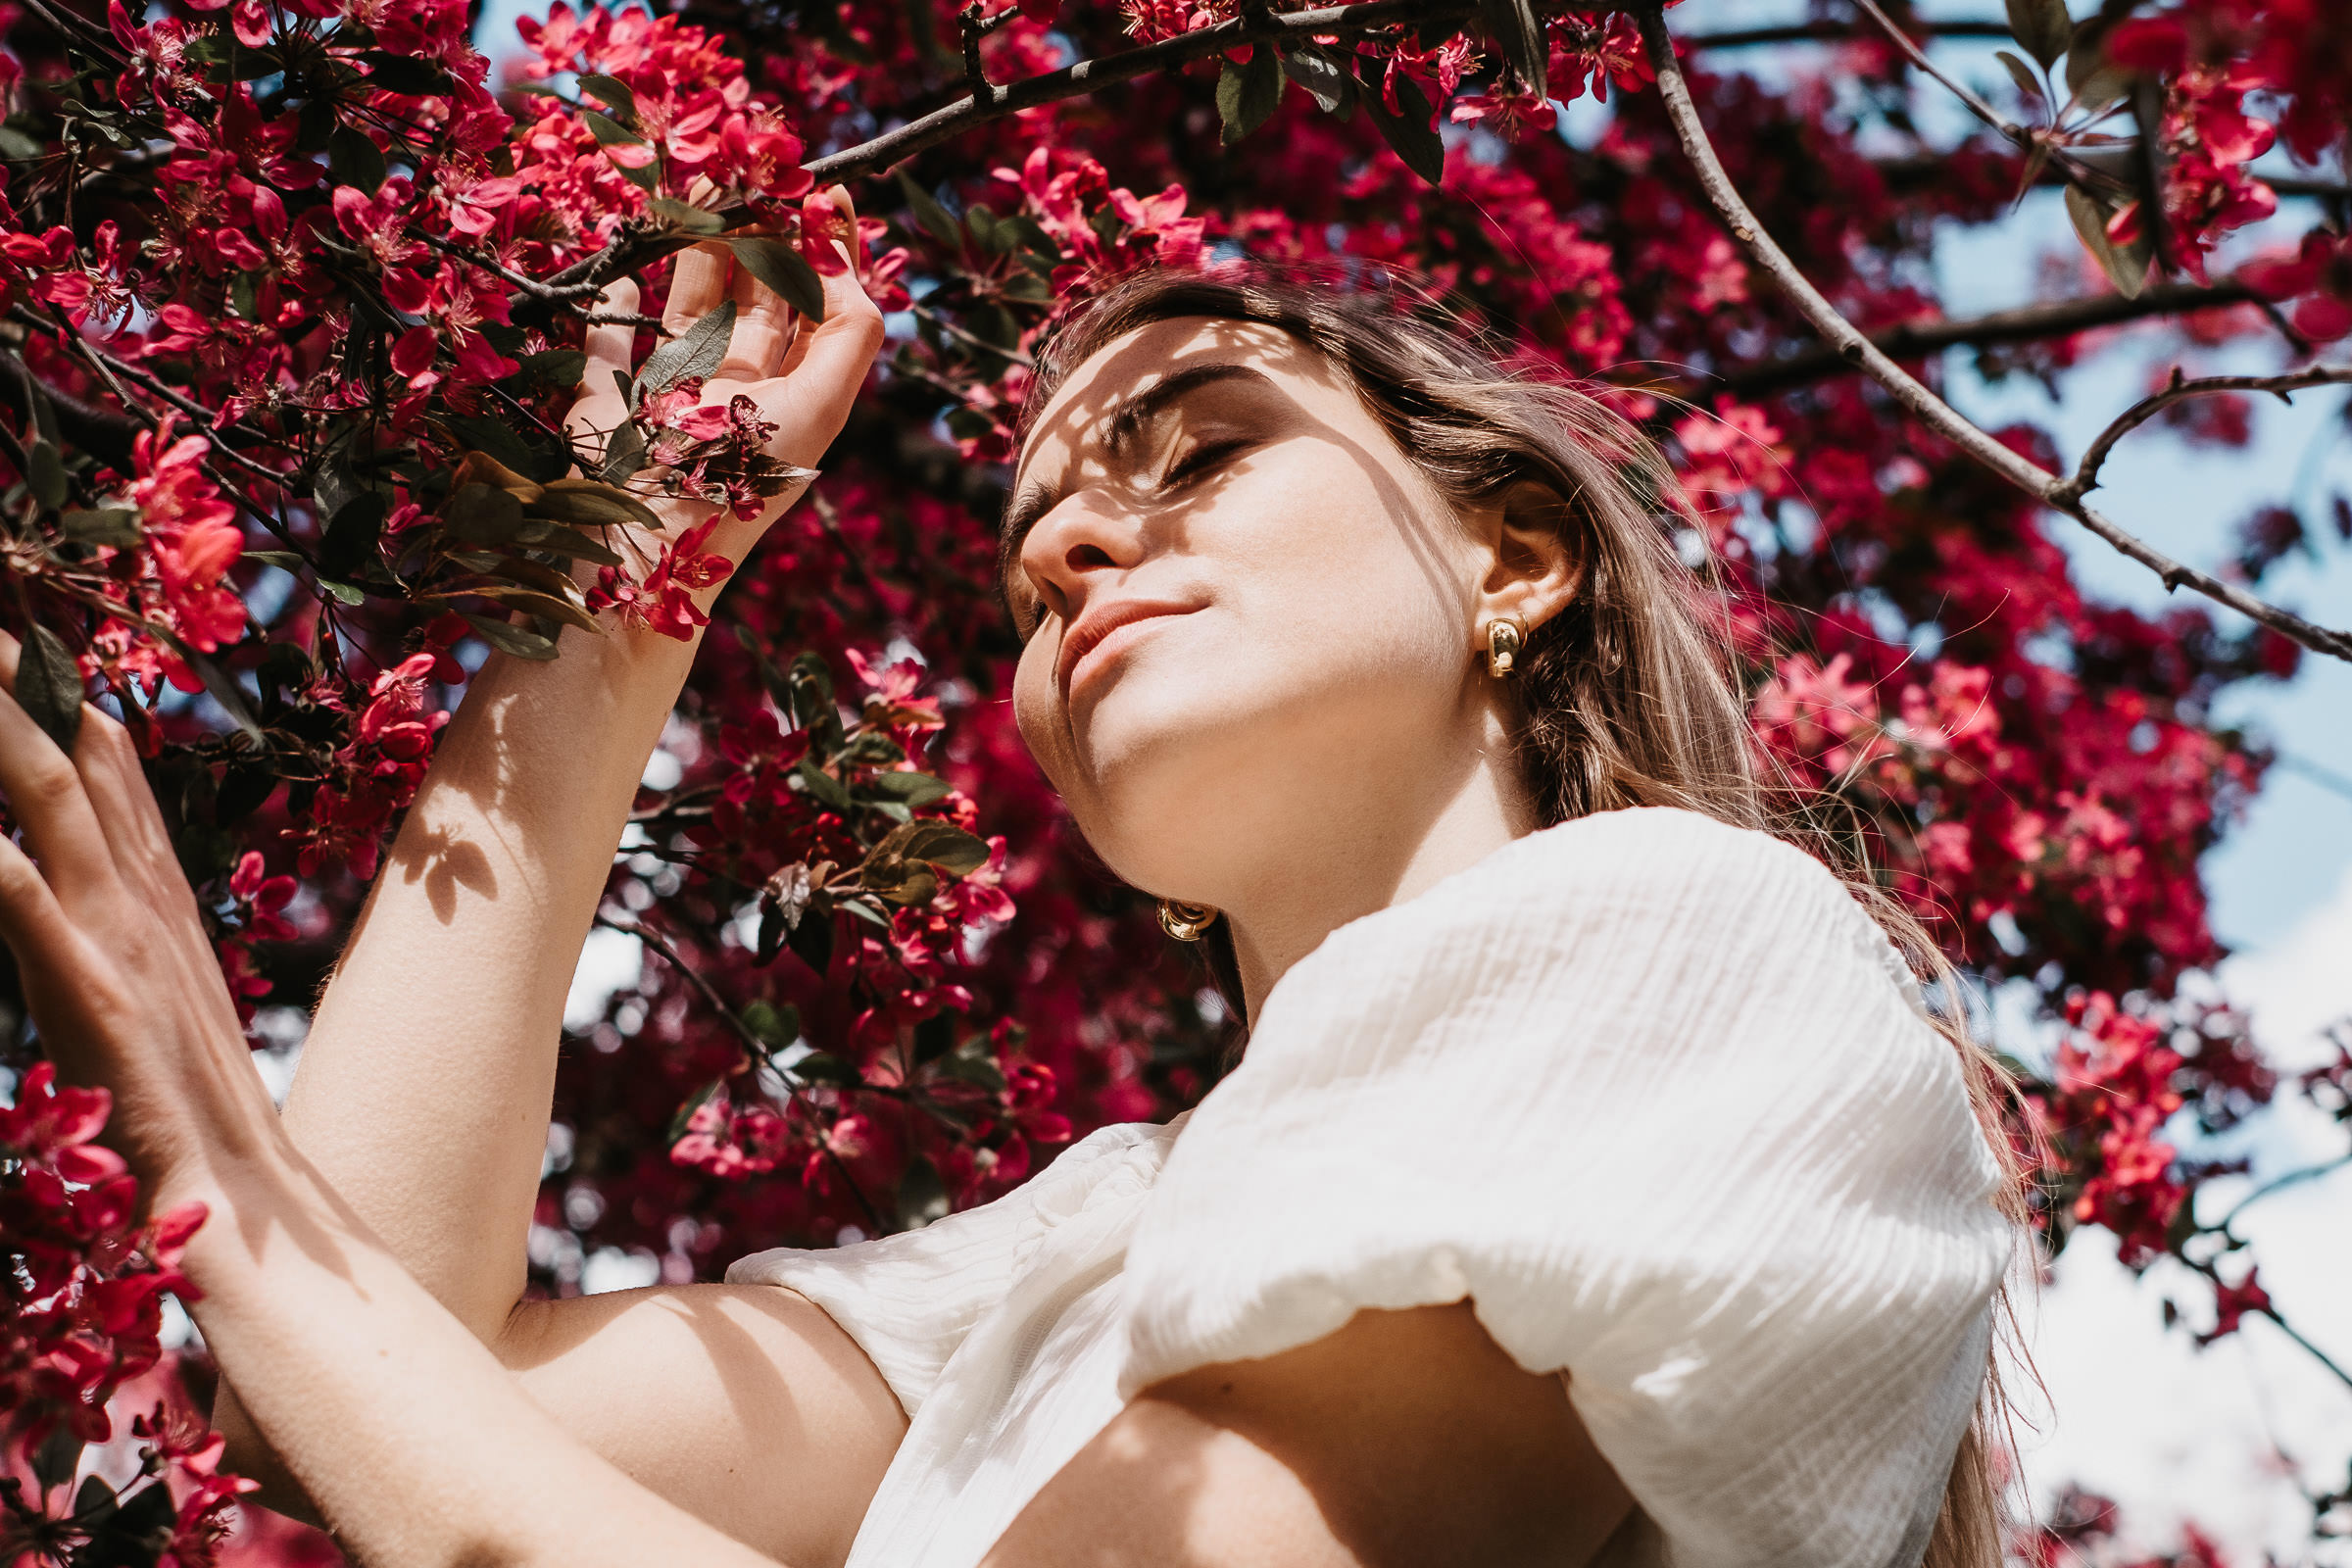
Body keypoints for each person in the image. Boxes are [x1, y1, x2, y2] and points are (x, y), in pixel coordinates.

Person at [0, 188, 2021, 1568]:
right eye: (1033, 562)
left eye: (1204, 451)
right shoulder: (1088, 1244)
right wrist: (631, 585)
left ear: (1513, 555)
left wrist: (223, 1180)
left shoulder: (1693, 941)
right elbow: (390, 1364)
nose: (1062, 549)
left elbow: (337, 1329)